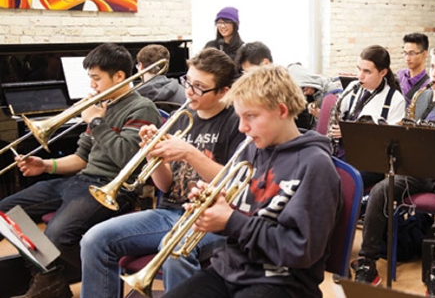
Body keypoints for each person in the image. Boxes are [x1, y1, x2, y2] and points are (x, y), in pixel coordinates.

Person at [161, 65, 341, 298]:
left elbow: (302, 250)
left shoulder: (315, 166)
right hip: (231, 269)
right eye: (240, 116)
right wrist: (213, 206)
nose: (242, 127)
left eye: (251, 116)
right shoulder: (250, 149)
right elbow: (237, 215)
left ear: (282, 110)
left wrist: (231, 221)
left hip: (284, 282)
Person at [79, 48, 245, 297]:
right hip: (169, 211)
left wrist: (189, 153)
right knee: (94, 239)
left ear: (224, 91)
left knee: (175, 252)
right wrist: (152, 154)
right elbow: (166, 186)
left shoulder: (238, 122)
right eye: (188, 81)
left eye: (200, 87)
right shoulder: (182, 116)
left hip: (210, 220)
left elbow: (235, 182)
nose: (189, 91)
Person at [0, 43, 162, 298]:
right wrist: (45, 165)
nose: (92, 85)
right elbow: (81, 158)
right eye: (90, 78)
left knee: (57, 235)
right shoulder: (101, 105)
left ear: (120, 76)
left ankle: (73, 274)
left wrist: (95, 120)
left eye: (97, 78)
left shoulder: (141, 108)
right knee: (4, 211)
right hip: (80, 181)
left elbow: (124, 158)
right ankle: (50, 277)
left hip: (112, 188)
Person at [351, 44, 435, 297]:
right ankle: (368, 262)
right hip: (416, 170)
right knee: (379, 192)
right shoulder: (420, 99)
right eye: (432, 67)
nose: (434, 73)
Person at [329, 45, 406, 188]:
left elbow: (393, 143)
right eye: (359, 69)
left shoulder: (395, 100)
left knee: (340, 183)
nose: (360, 76)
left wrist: (352, 134)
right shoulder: (353, 88)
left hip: (372, 162)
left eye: (367, 71)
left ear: (383, 72)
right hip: (343, 152)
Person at [287, 62, 341, 130]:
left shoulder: (333, 90)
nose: (305, 93)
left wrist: (321, 115)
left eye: (304, 89)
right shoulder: (304, 97)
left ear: (309, 80)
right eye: (301, 91)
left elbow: (339, 120)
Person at [397, 33, 431, 102]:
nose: (407, 58)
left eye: (411, 53)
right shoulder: (400, 75)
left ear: (424, 54)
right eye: (405, 53)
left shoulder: (428, 86)